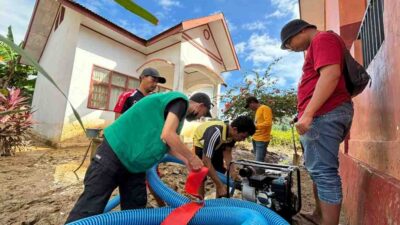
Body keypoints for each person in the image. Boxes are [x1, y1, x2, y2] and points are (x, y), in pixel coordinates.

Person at [65, 92, 212, 223]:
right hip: (113, 155)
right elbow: (168, 135)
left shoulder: (176, 117)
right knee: (89, 210)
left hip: (135, 167)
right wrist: (192, 157)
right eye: (203, 114)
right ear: (200, 105)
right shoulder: (180, 101)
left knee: (135, 212)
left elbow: (167, 143)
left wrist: (186, 160)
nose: (200, 117)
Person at [280, 19, 353, 225]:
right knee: (316, 171)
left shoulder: (323, 38)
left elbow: (330, 75)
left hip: (324, 115)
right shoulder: (320, 43)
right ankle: (319, 216)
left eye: (288, 43)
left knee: (324, 172)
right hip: (322, 114)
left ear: (301, 31)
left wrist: (309, 113)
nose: (289, 48)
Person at [193, 116, 256, 198]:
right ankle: (199, 202)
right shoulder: (215, 133)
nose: (243, 140)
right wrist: (219, 185)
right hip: (201, 144)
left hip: (217, 143)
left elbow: (227, 153)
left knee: (220, 173)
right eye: (243, 137)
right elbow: (206, 161)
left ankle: (218, 204)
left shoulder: (232, 135)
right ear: (235, 129)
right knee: (201, 174)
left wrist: (233, 171)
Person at [245, 96, 273, 162]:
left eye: (249, 106)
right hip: (255, 138)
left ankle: (260, 172)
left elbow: (268, 123)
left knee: (259, 161)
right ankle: (259, 171)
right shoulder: (258, 110)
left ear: (252, 102)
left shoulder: (265, 108)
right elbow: (258, 122)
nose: (249, 108)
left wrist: (255, 127)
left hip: (262, 139)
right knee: (257, 160)